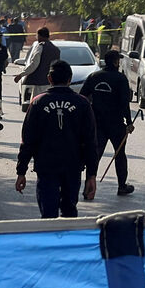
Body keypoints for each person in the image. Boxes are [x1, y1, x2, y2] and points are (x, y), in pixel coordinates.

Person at [15, 60, 98, 218]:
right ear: (70, 79)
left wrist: (21, 171)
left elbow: (28, 140)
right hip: (72, 167)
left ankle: (50, 240)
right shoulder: (82, 104)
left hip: (47, 167)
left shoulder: (38, 102)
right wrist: (91, 175)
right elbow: (90, 143)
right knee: (69, 212)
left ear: (49, 79)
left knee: (48, 214)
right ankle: (66, 241)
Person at [80, 50, 136, 195]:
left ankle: (88, 188)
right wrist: (129, 122)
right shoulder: (120, 78)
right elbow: (125, 103)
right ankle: (122, 186)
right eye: (119, 60)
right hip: (116, 124)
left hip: (97, 123)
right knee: (120, 154)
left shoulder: (94, 76)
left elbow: (82, 97)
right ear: (115, 62)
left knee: (94, 156)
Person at [14, 27, 61, 101]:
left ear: (40, 36)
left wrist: (21, 75)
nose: (36, 37)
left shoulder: (40, 47)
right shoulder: (56, 49)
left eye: (37, 35)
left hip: (40, 83)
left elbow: (34, 65)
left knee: (37, 103)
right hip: (52, 83)